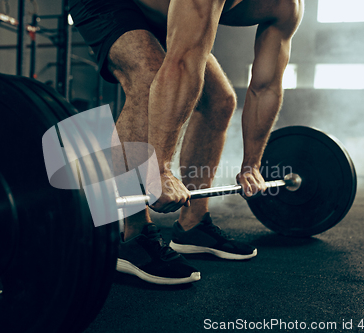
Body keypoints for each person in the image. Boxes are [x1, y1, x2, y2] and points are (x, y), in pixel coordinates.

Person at [69, 0, 304, 285]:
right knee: (149, 77)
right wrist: (160, 170)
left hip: (162, 11)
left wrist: (251, 164)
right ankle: (134, 235)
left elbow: (266, 87)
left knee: (220, 100)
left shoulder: (287, 7)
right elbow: (181, 64)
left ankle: (192, 225)